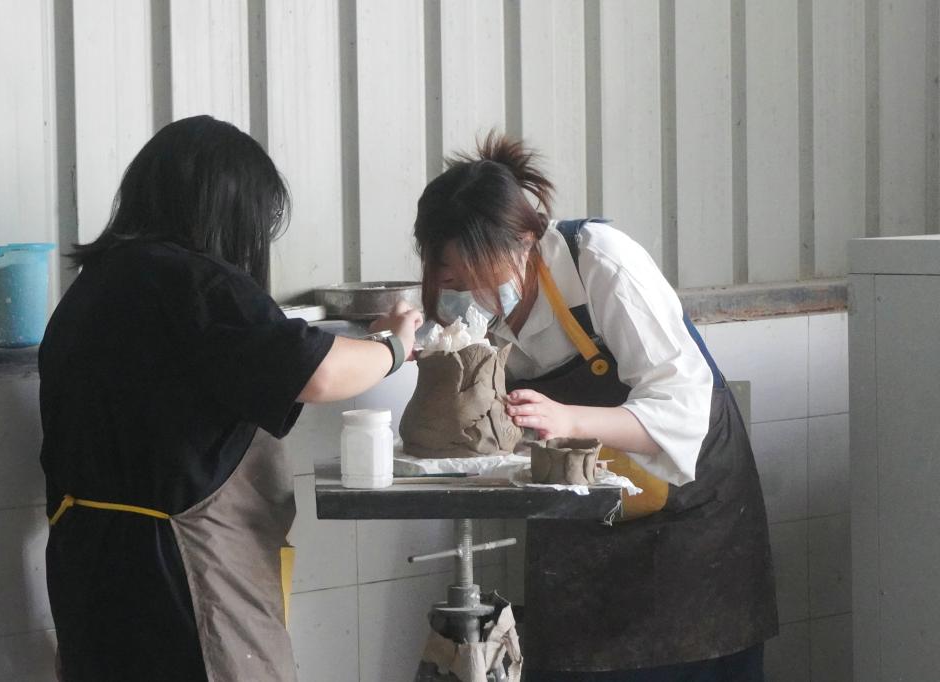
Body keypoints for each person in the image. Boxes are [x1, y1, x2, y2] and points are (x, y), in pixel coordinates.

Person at [39, 114, 422, 682]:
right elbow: (315, 372)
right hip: (179, 577)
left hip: (86, 570)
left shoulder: (92, 288)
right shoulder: (196, 282)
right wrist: (394, 346)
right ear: (228, 210)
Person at [412, 132, 778, 681]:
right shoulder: (472, 312)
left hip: (687, 518)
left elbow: (681, 405)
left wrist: (568, 419)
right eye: (453, 279)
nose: (471, 293)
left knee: (689, 663)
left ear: (525, 242)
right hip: (579, 516)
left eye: (480, 275)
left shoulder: (599, 262)